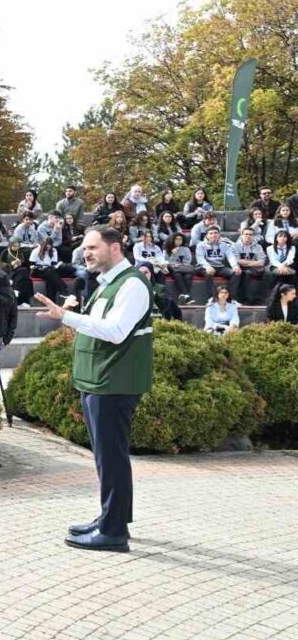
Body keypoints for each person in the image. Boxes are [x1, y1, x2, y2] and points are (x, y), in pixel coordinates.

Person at [35, 226, 154, 553]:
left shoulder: (131, 284)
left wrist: (67, 318)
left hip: (114, 383)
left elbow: (115, 332)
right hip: (100, 381)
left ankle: (113, 533)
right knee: (107, 456)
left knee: (111, 457)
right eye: (84, 248)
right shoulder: (108, 283)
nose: (85, 253)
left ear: (115, 248)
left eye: (92, 247)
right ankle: (111, 518)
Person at [194, 228, 240, 300]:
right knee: (209, 273)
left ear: (219, 235)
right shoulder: (201, 245)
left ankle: (230, 299)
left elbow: (230, 256)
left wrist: (235, 266)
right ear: (207, 236)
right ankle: (211, 298)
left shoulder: (224, 245)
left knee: (236, 273)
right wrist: (207, 266)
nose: (214, 235)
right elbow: (200, 258)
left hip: (220, 267)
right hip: (204, 267)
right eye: (211, 233)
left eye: (215, 233)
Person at [232, 226, 268, 306]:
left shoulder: (258, 247)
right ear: (241, 235)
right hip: (240, 267)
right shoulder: (235, 246)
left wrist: (245, 263)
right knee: (243, 273)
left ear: (253, 236)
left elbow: (261, 262)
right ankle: (244, 300)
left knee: (266, 273)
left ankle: (261, 300)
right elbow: (236, 260)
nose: (248, 236)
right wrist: (254, 262)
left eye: (250, 234)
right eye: (246, 234)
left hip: (254, 268)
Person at [31, 236, 71, 304]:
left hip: (49, 270)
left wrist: (56, 266)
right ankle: (63, 290)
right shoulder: (36, 251)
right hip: (37, 270)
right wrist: (37, 266)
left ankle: (51, 301)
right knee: (51, 273)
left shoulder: (53, 250)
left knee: (51, 278)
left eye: (49, 246)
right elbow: (31, 265)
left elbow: (53, 263)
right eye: (46, 247)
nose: (48, 248)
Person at [165, 232, 196, 304]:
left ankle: (184, 296)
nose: (179, 241)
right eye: (177, 239)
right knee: (177, 274)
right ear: (173, 240)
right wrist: (172, 254)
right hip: (173, 268)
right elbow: (166, 261)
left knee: (188, 275)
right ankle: (187, 296)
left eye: (180, 239)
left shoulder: (186, 249)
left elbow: (188, 260)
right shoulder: (167, 249)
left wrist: (181, 265)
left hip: (183, 268)